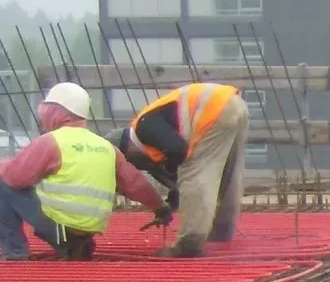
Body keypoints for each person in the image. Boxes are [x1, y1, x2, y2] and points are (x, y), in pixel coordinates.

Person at [0, 82, 167, 260]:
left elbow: (14, 178)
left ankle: (15, 252)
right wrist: (160, 207)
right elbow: (136, 184)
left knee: (3, 184)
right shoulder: (107, 147)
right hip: (87, 229)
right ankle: (78, 243)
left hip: (59, 228)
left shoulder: (51, 142)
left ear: (55, 112)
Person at [118, 81, 250, 257]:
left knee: (194, 173)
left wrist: (177, 188)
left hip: (214, 110)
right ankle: (221, 232)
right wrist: (175, 194)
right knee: (228, 175)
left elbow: (177, 151)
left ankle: (189, 244)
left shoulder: (142, 126)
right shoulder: (149, 123)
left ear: (128, 149)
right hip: (233, 104)